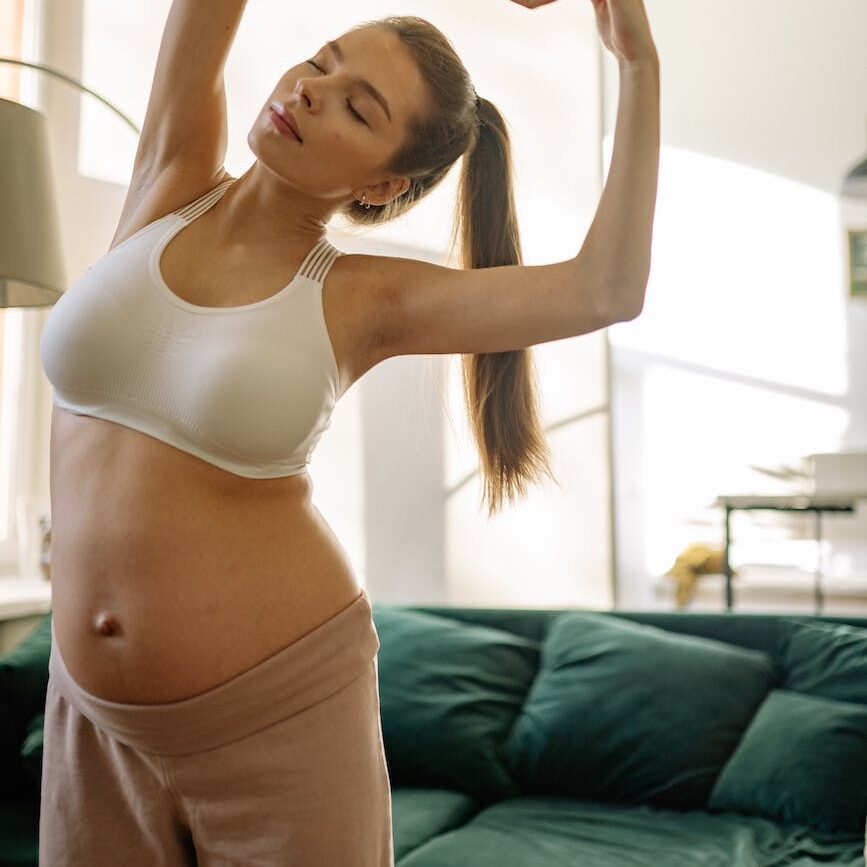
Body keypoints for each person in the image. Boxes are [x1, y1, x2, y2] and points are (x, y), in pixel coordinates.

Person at [36, 0, 660, 864]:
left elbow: (604, 290)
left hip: (278, 718)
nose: (311, 90)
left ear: (381, 186)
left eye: (359, 108)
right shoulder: (168, 180)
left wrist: (636, 60)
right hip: (92, 718)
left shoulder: (366, 296)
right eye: (321, 61)